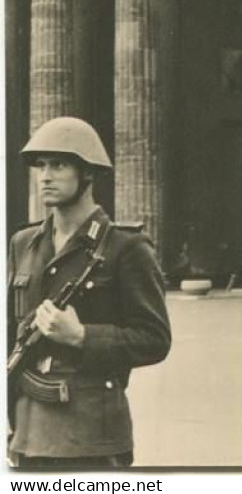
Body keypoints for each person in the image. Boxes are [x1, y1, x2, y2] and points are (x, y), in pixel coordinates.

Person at [7, 117, 171, 469]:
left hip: (91, 436)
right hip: (27, 433)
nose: (45, 176)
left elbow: (154, 339)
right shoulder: (24, 244)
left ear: (88, 174)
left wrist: (82, 336)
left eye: (59, 165)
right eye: (41, 165)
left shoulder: (125, 248)